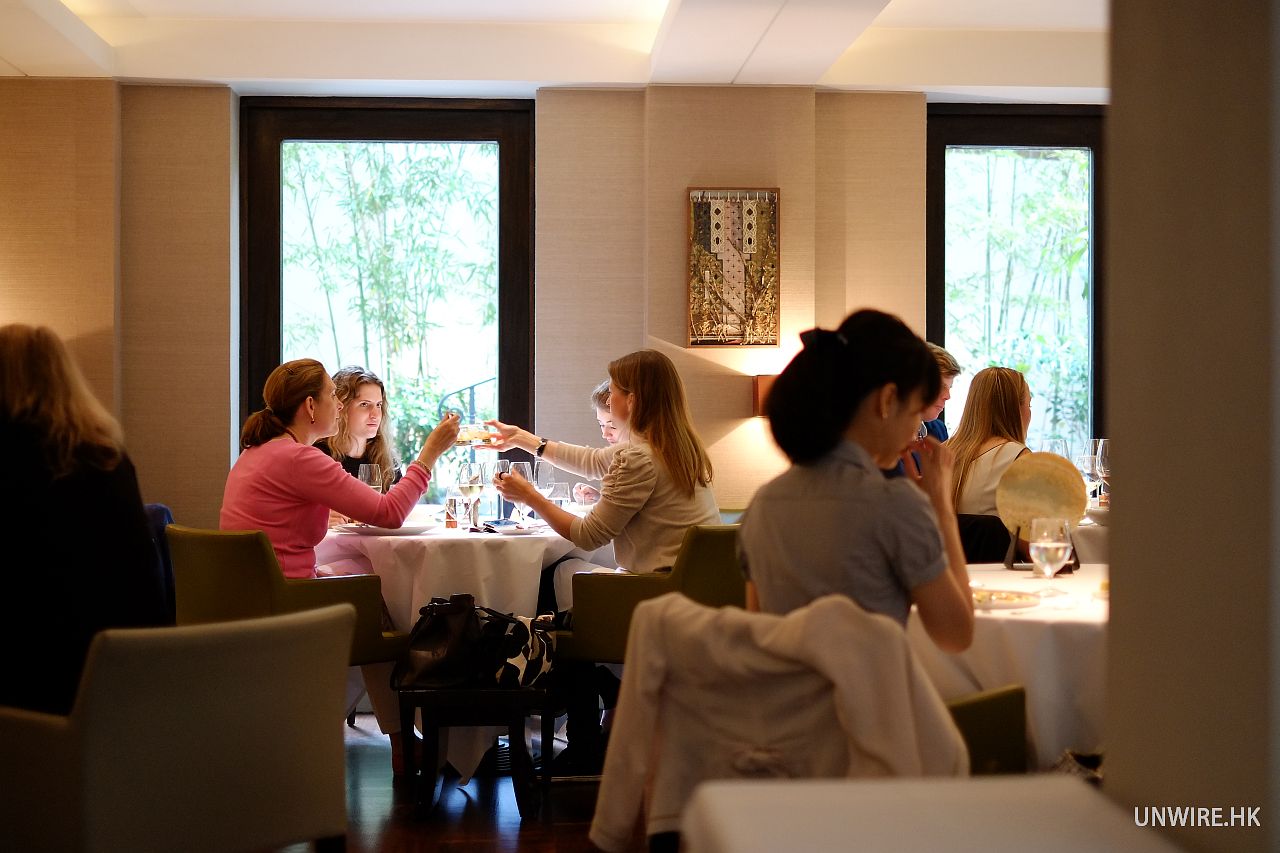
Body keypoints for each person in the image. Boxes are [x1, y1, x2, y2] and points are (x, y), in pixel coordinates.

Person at [220, 357, 458, 774]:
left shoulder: (256, 453)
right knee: (383, 606)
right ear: (311, 406)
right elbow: (389, 513)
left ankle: (368, 735)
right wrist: (429, 454)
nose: (340, 403)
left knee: (363, 583)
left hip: (251, 597)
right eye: (334, 395)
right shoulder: (300, 459)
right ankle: (404, 741)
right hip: (287, 603)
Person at [487, 349, 720, 770]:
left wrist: (531, 498)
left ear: (634, 398)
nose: (608, 399)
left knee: (554, 588)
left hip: (652, 600)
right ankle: (600, 723)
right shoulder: (675, 448)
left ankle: (585, 742)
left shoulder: (638, 458)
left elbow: (589, 534)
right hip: (688, 596)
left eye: (614, 391)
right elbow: (593, 461)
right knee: (565, 580)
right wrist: (524, 439)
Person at [738, 309, 974, 655]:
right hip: (869, 690)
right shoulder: (894, 503)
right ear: (887, 401)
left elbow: (759, 631)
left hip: (783, 689)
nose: (915, 429)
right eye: (913, 412)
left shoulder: (764, 502)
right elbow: (957, 634)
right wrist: (939, 505)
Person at [0, 324, 169, 715]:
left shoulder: (10, 458)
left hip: (24, 681)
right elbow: (141, 583)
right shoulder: (107, 459)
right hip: (110, 674)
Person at [316, 365, 401, 525]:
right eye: (364, 404)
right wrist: (319, 518)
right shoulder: (318, 456)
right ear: (341, 407)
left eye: (378, 405)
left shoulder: (387, 460)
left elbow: (398, 511)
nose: (375, 414)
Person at [947, 366, 1032, 517]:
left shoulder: (941, 453)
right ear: (1015, 410)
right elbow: (1035, 531)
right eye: (1029, 405)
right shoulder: (1019, 459)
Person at [572, 378, 623, 505]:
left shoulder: (641, 461)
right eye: (601, 425)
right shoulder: (620, 457)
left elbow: (592, 461)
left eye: (612, 426)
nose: (605, 434)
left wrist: (532, 497)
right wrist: (599, 499)